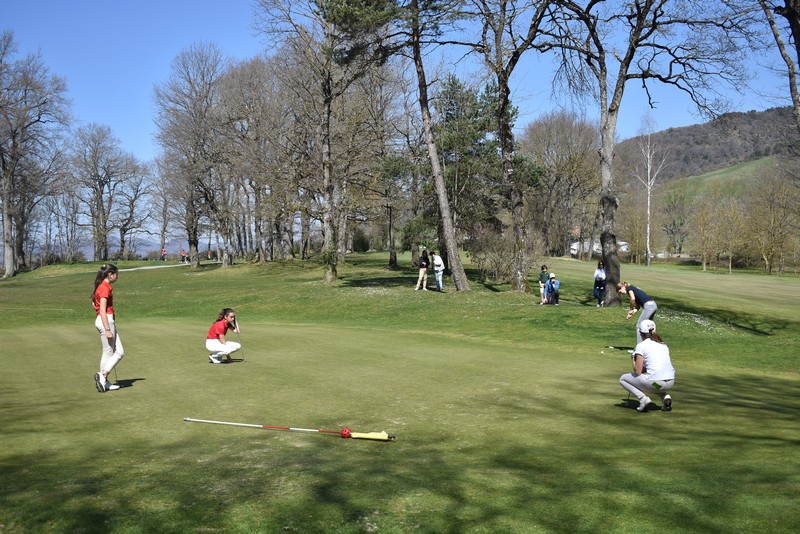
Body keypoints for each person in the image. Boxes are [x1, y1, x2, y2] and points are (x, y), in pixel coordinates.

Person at [619, 319, 675, 412]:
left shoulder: (641, 346)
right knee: (655, 383)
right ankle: (665, 396)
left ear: (641, 333)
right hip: (669, 383)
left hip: (656, 383)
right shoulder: (663, 345)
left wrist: (633, 358)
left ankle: (642, 398)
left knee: (623, 379)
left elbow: (637, 371)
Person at [92, 264, 124, 392]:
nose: (117, 277)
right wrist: (107, 329)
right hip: (106, 321)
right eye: (116, 274)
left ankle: (104, 380)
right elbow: (103, 311)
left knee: (117, 351)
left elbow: (94, 304)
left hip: (104, 321)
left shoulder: (100, 286)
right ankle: (103, 376)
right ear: (110, 274)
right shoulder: (104, 288)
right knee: (110, 352)